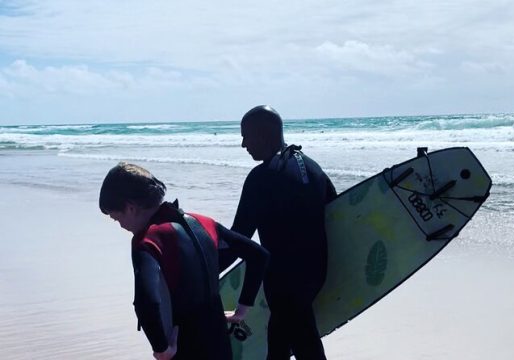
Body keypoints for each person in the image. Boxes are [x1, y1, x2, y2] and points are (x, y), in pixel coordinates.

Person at [99, 162, 269, 360]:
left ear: (130, 208)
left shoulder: (148, 240)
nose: (121, 226)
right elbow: (258, 256)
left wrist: (161, 347)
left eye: (116, 218)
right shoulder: (204, 223)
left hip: (184, 347)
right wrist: (242, 310)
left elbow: (147, 300)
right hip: (219, 342)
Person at [231, 105, 337, 360]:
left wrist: (205, 268)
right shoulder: (313, 168)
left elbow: (239, 237)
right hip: (315, 274)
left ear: (263, 134)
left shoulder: (261, 177)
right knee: (281, 341)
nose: (243, 144)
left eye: (246, 135)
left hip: (283, 280)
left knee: (304, 345)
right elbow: (336, 213)